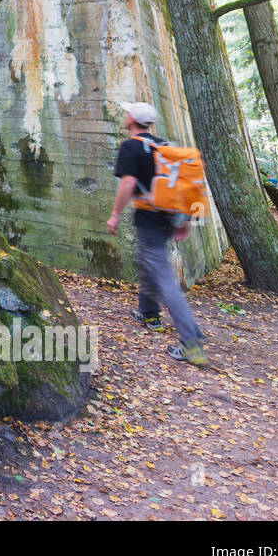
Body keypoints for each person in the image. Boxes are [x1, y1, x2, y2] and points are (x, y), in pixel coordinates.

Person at [106, 101, 210, 367]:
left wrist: (115, 214)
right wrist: (184, 221)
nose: (124, 114)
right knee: (147, 263)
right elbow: (184, 186)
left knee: (163, 278)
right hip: (169, 217)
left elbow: (128, 182)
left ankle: (191, 343)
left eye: (127, 112)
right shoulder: (165, 147)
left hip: (149, 219)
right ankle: (148, 313)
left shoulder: (131, 147)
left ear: (131, 119)